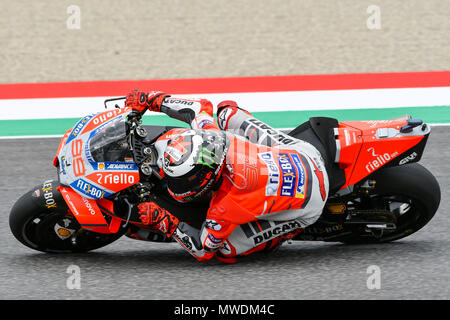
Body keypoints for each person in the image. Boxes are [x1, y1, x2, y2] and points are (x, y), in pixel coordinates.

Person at [125, 90, 329, 263]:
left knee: (225, 250)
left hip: (313, 201)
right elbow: (198, 107)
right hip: (305, 155)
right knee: (226, 112)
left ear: (205, 181)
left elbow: (203, 250)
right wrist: (152, 99)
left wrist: (164, 220)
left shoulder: (224, 207)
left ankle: (285, 232)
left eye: (180, 181)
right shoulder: (214, 137)